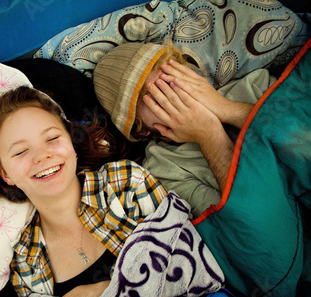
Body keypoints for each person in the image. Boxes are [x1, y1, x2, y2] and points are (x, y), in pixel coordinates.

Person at [0, 85, 216, 297]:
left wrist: (104, 292)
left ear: (72, 143)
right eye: (20, 151)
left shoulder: (126, 183)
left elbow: (198, 272)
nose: (42, 156)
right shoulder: (25, 260)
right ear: (5, 174)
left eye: (53, 138)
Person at [93, 41, 276, 217]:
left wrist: (227, 108)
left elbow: (301, 135)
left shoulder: (255, 86)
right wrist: (208, 134)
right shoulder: (165, 170)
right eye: (160, 98)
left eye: (174, 79)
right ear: (142, 130)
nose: (179, 94)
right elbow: (255, 215)